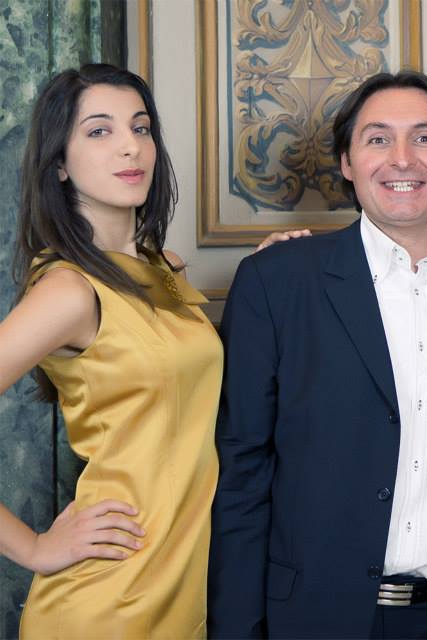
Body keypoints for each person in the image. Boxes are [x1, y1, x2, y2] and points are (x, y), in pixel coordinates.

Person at [208, 70, 427, 639]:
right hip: (311, 616)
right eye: (378, 138)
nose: (402, 158)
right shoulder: (277, 282)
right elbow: (241, 472)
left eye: (425, 137)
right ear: (347, 162)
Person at [0, 64, 222, 637]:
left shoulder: (163, 268)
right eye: (99, 131)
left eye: (140, 127)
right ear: (59, 163)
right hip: (108, 599)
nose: (131, 146)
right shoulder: (69, 290)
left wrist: (284, 270)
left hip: (179, 585)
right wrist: (34, 547)